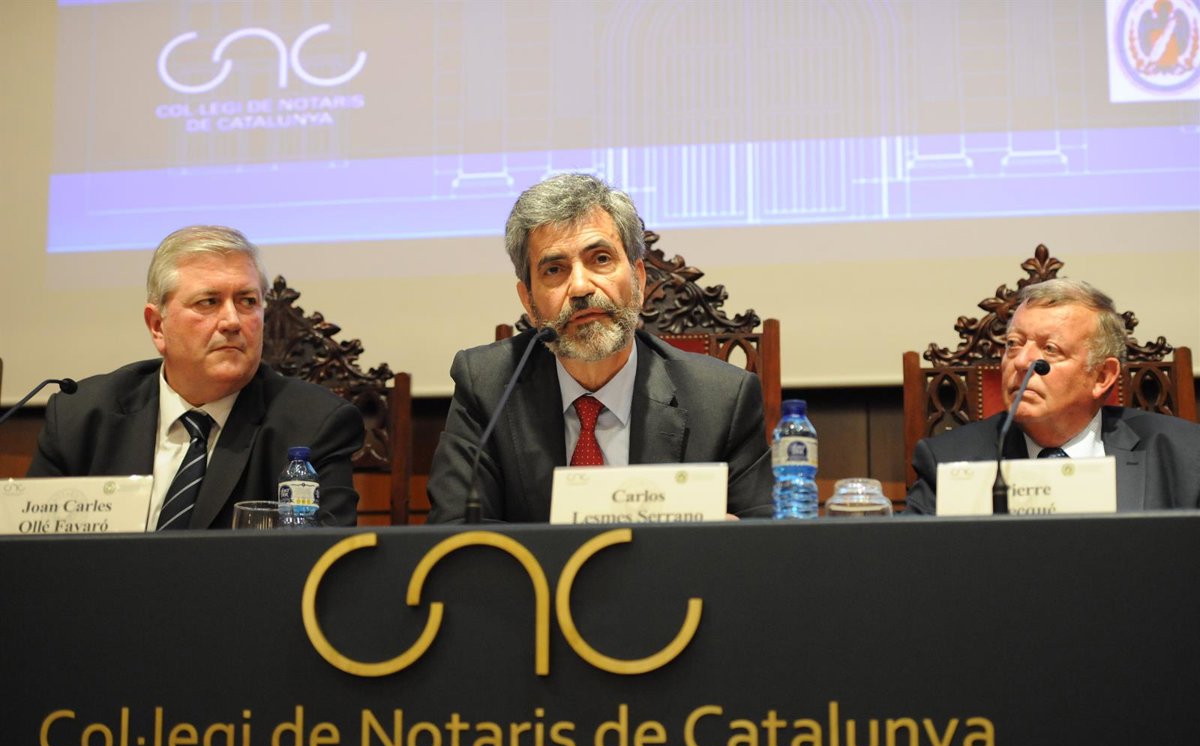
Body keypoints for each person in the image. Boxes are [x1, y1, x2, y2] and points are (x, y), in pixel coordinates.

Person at [426, 174, 773, 523]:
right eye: (554, 269)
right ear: (528, 302)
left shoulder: (722, 400)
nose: (580, 287)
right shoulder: (487, 387)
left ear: (639, 280)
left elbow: (762, 539)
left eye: (601, 259)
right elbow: (455, 529)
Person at [27, 225, 364, 528]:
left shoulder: (314, 425)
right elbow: (30, 554)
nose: (232, 321)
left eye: (247, 301)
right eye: (208, 302)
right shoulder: (80, 418)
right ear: (157, 326)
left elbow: (325, 556)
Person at [906, 278, 1200, 514]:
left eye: (1050, 349)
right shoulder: (948, 462)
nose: (1022, 361)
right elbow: (914, 560)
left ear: (1102, 376)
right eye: (1013, 344)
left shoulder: (1184, 455)